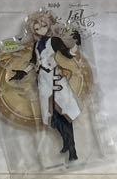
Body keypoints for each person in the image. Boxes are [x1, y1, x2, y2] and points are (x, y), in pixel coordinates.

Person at [9, 9, 83, 161]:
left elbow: (68, 54)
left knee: (64, 115)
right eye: (36, 28)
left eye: (43, 26)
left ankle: (72, 149)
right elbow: (33, 62)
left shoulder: (53, 41)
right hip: (43, 81)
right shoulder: (36, 44)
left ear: (49, 25)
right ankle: (66, 142)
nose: (40, 30)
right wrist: (22, 72)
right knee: (53, 118)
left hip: (56, 81)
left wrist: (76, 44)